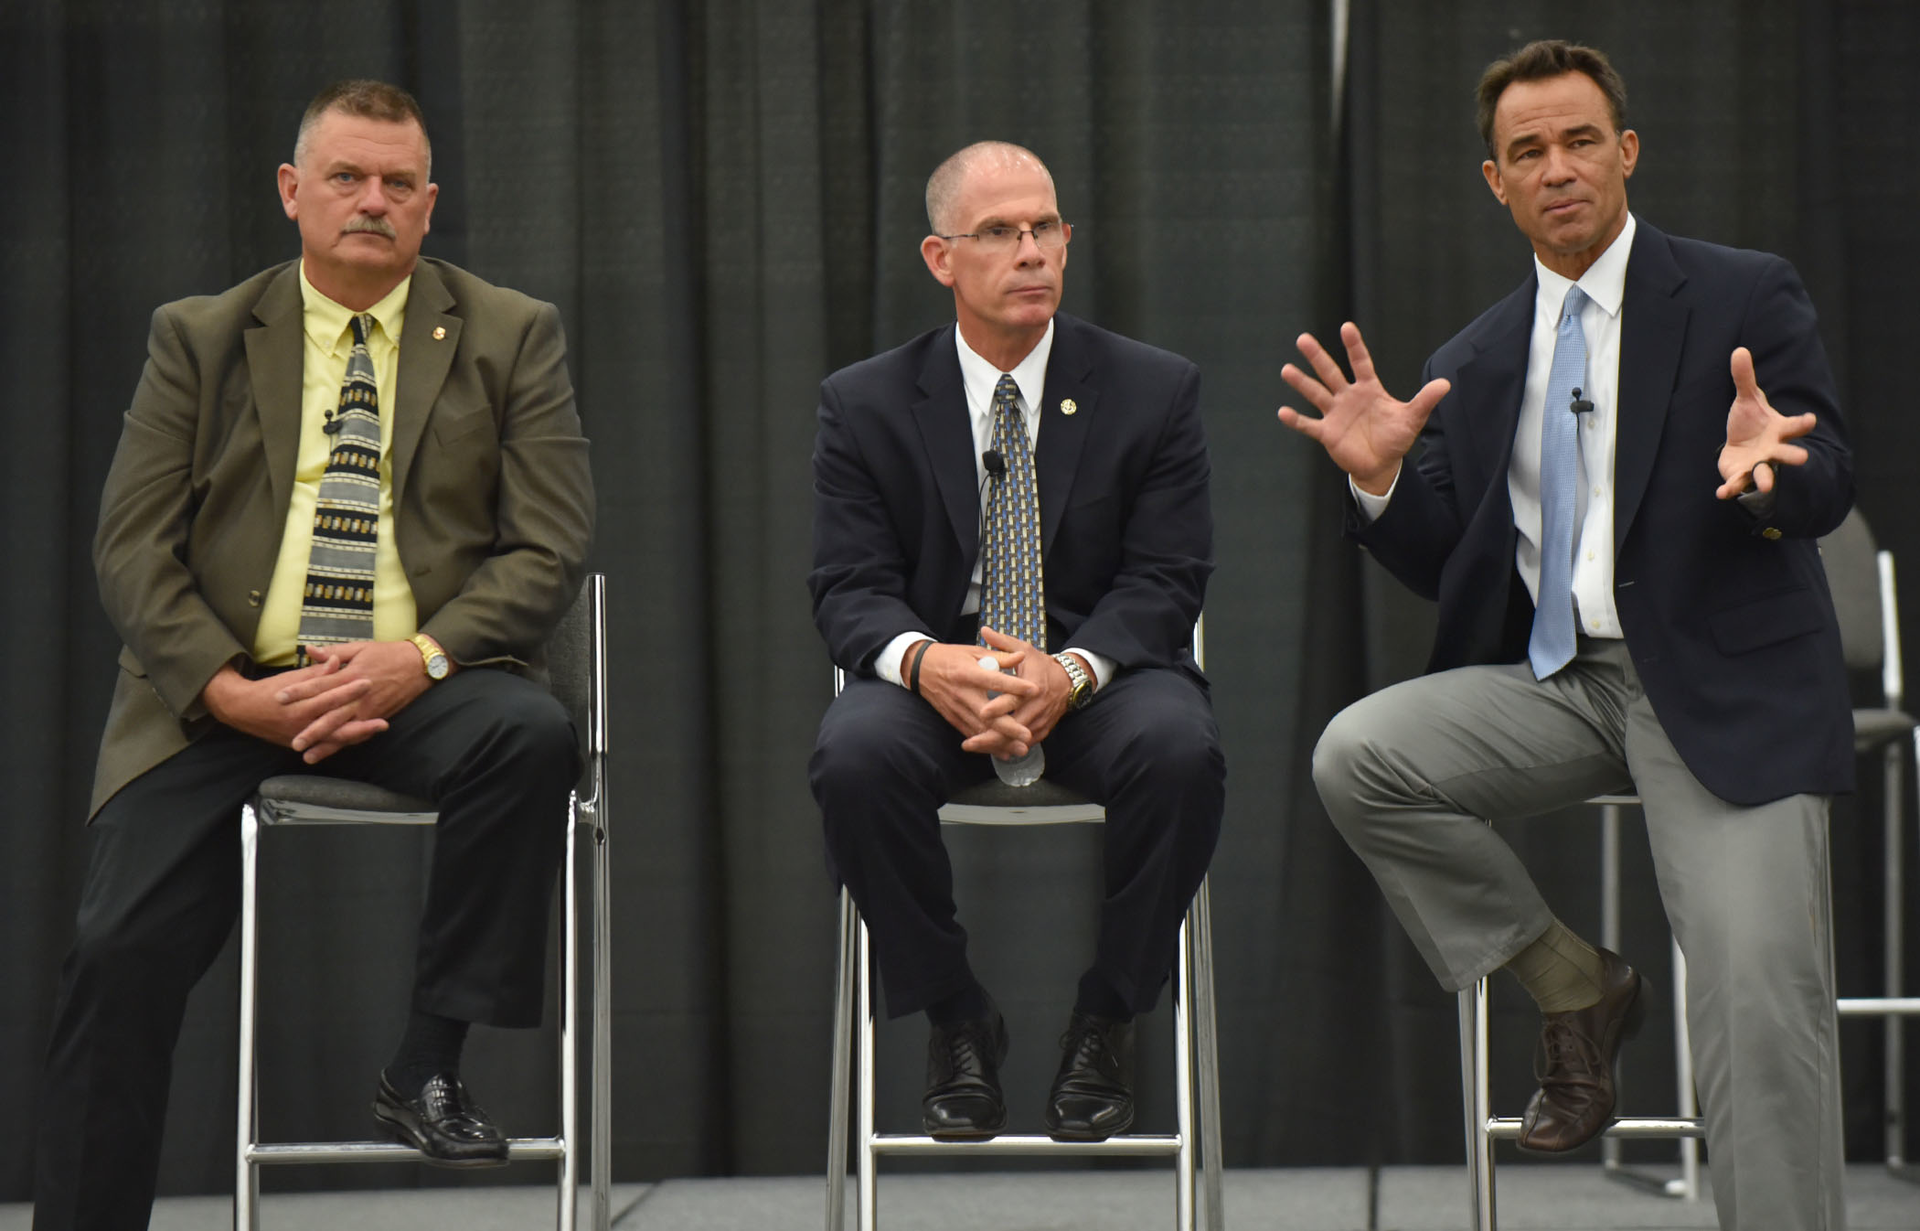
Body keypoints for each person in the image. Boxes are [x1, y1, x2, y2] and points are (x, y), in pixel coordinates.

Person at [1278, 40, 1850, 1230]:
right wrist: (1381, 484)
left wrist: (1769, 475)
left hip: (1719, 688)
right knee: (1357, 754)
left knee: (1755, 996)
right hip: (1559, 682)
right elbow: (1452, 563)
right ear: (1496, 182)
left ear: (1627, 152)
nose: (1559, 169)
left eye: (1581, 140)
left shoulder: (1741, 294)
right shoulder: (1473, 362)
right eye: (1527, 152)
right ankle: (1574, 983)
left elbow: (1826, 475)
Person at [33, 80, 594, 1229]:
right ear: (294, 192)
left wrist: (422, 658)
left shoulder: (507, 330)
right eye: (347, 177)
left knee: (529, 735)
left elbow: (550, 549)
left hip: (418, 683)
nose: (372, 202)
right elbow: (130, 547)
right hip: (224, 693)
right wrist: (236, 692)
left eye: (398, 184)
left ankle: (426, 1062)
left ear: (430, 206)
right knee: (114, 950)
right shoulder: (198, 335)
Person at [808, 142, 1224, 1142]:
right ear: (941, 258)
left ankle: (1107, 1018)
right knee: (852, 755)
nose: (1030, 249)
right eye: (999, 231)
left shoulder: (1152, 388)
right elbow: (848, 586)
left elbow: (1167, 579)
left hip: (1098, 677)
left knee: (1182, 751)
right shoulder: (863, 403)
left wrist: (1070, 672)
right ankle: (954, 1015)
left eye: (1045, 227)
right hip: (933, 680)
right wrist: (929, 662)